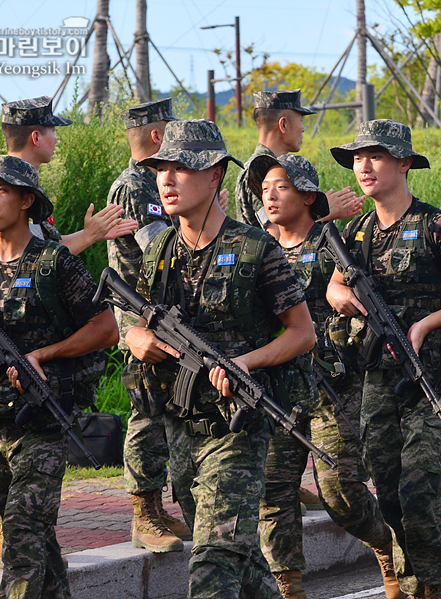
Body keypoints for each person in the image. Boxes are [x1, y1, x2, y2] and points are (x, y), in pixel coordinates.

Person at [125, 119, 315, 599]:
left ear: (214, 177)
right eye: (161, 169)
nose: (166, 180)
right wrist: (136, 339)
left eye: (181, 169)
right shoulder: (160, 249)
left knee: (212, 563)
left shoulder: (255, 249)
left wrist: (247, 363)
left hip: (237, 430)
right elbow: (133, 322)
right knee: (240, 561)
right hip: (179, 428)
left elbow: (302, 333)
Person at [326, 119, 441, 599]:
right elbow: (333, 281)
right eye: (358, 158)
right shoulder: (356, 231)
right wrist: (340, 294)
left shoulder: (436, 225)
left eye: (375, 156)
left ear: (403, 163)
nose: (364, 166)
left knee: (422, 489)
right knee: (392, 494)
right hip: (378, 377)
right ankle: (412, 579)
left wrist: (427, 324)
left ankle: (436, 585)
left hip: (434, 377)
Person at [0, 154, 118, 598]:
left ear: (25, 201)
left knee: (21, 537)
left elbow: (106, 327)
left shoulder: (54, 263)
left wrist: (44, 354)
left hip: (42, 423)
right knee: (34, 539)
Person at [246, 153, 402, 599]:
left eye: (281, 187)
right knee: (274, 493)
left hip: (332, 387)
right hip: (277, 388)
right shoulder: (258, 248)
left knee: (341, 492)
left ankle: (388, 547)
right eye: (264, 189)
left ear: (308, 196)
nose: (269, 196)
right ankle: (289, 588)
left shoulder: (335, 244)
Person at [106, 98, 192, 553]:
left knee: (168, 413)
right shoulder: (134, 186)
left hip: (164, 312)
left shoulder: (154, 181)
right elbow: (157, 243)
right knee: (148, 411)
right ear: (158, 136)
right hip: (139, 315)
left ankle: (160, 508)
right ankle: (143, 513)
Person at [0, 95, 137, 254]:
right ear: (36, 138)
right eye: (53, 132)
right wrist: (88, 236)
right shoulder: (13, 188)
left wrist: (94, 231)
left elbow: (45, 243)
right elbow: (32, 259)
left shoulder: (18, 180)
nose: (56, 140)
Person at [234, 89, 361, 231]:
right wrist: (324, 213)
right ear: (283, 125)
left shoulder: (276, 167)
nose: (303, 129)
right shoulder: (258, 170)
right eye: (300, 121)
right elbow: (277, 236)